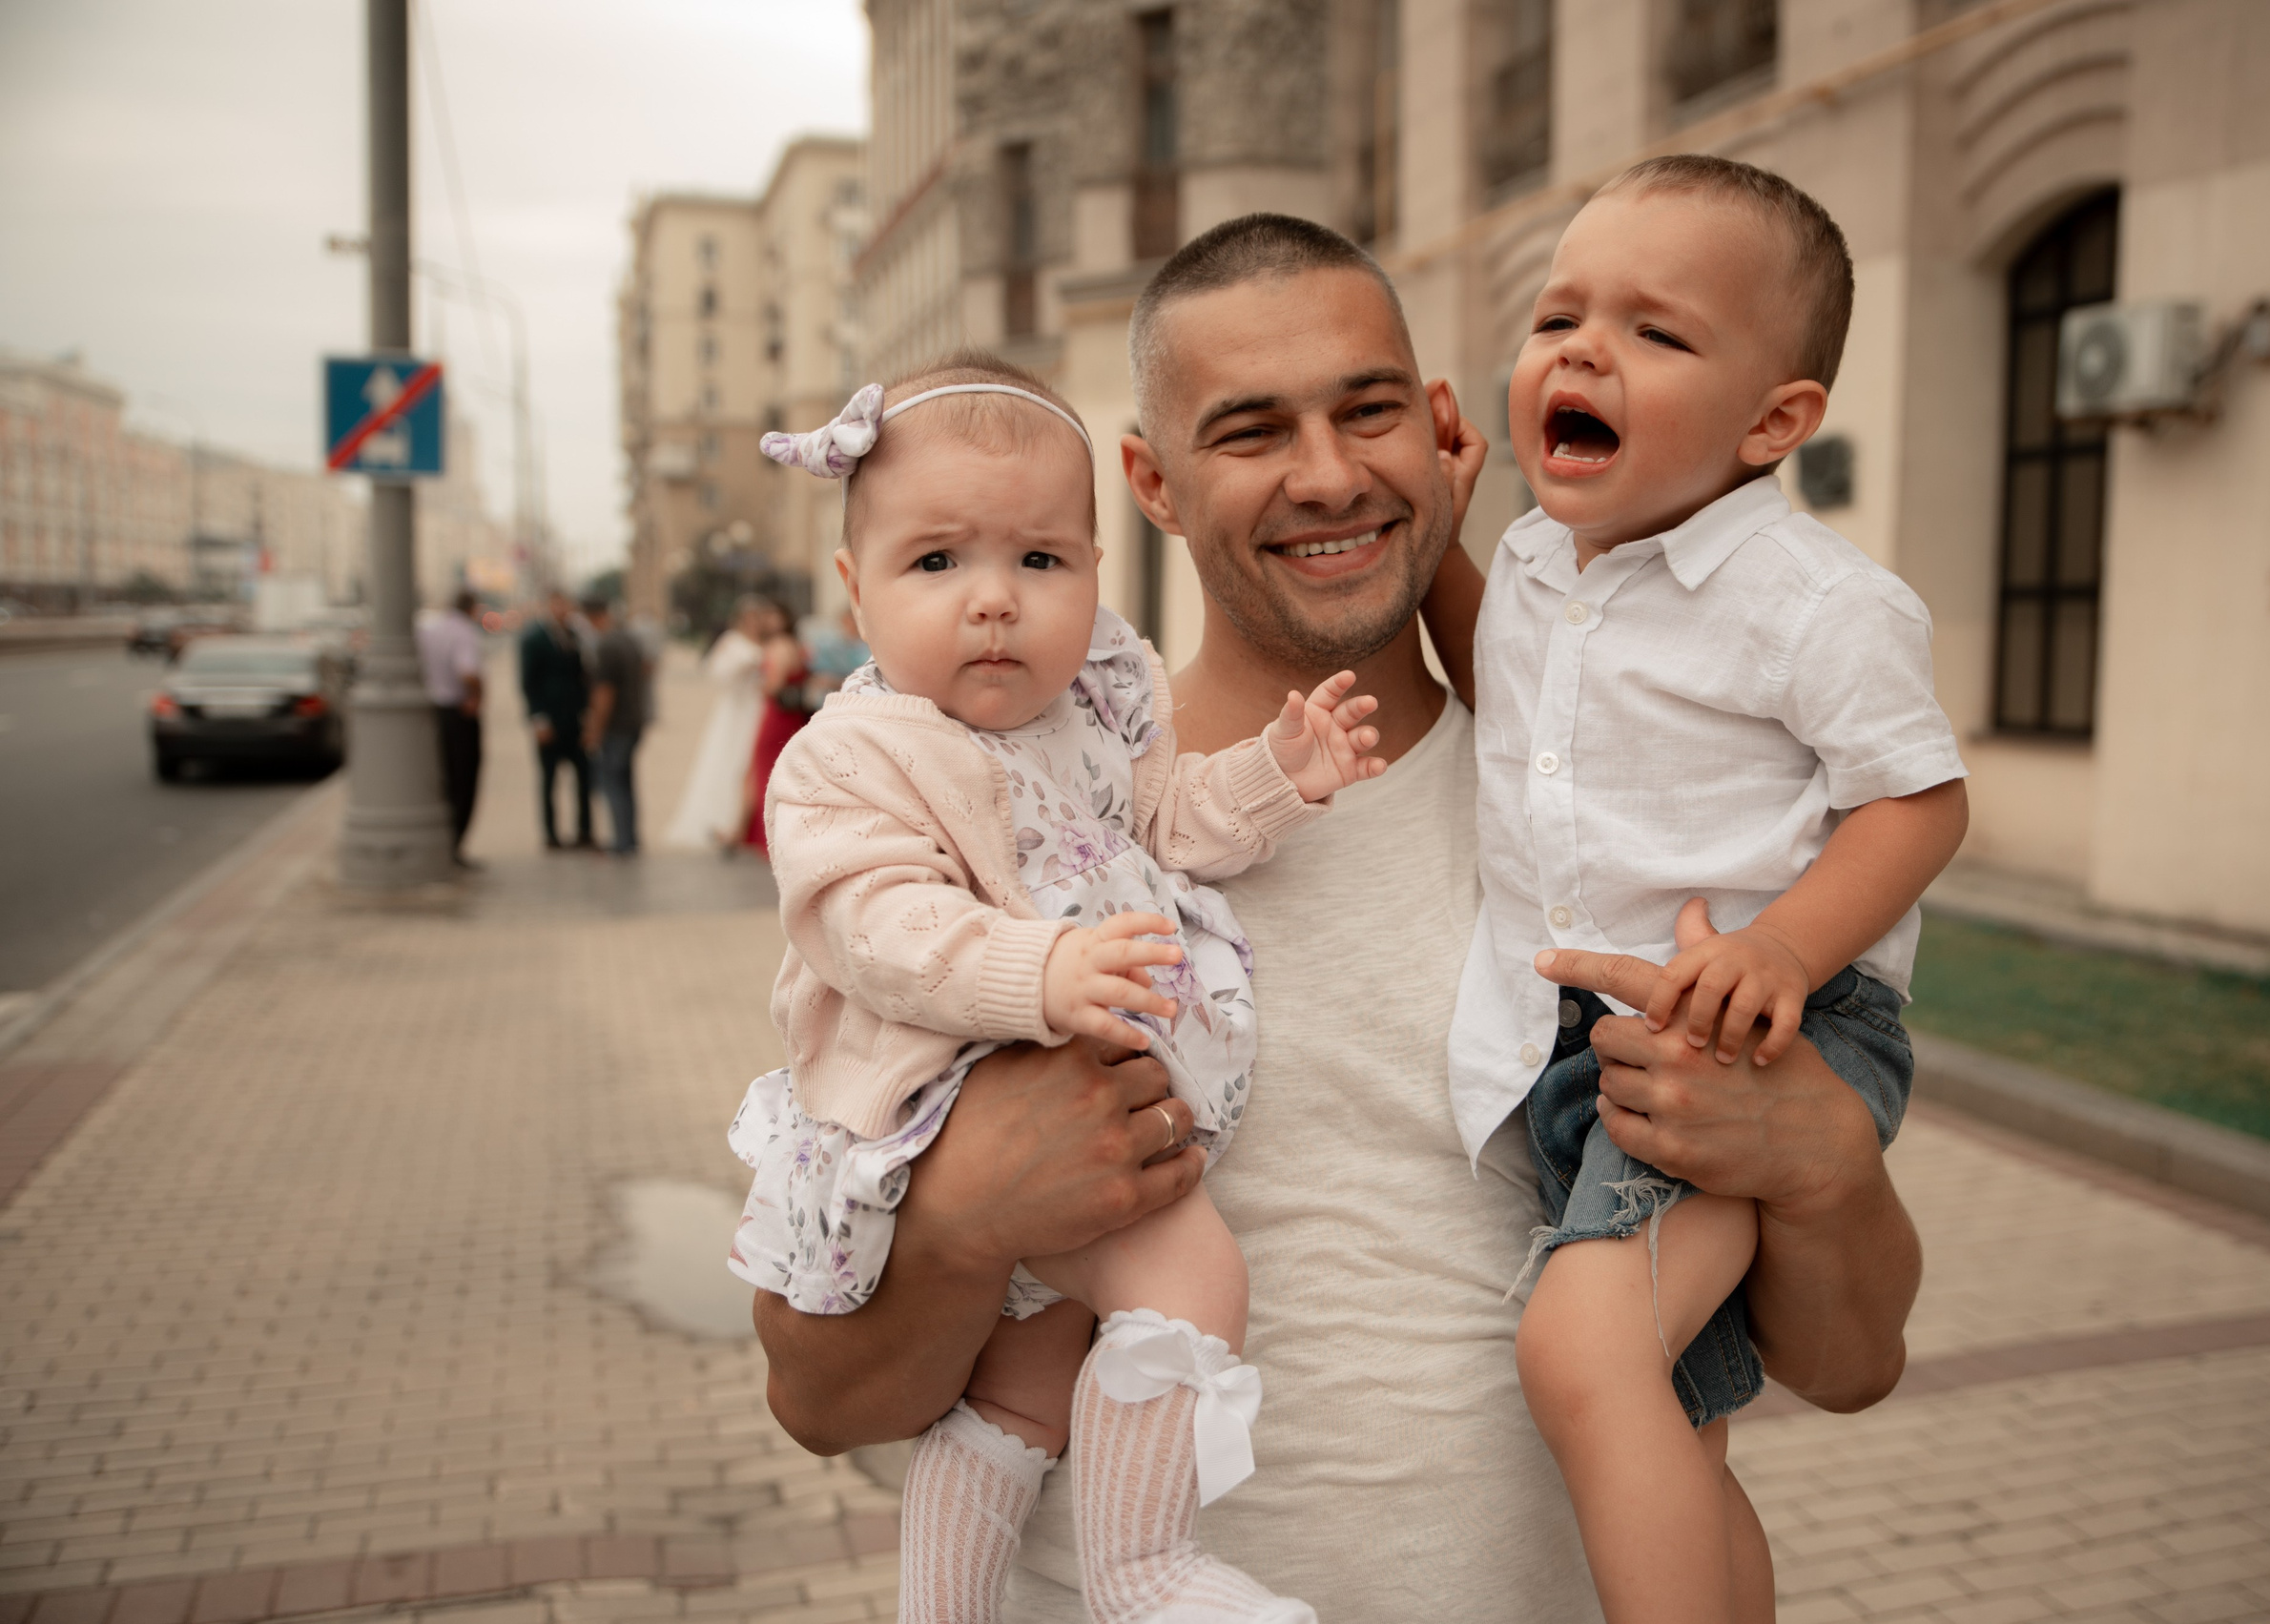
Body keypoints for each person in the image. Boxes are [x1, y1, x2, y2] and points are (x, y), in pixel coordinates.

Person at [751, 215, 1925, 1624]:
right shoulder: (1000, 837)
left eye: (1368, 411)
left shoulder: (1632, 830)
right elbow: (819, 1397)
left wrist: (1825, 1164)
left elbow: (1853, 1364)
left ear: (1440, 432)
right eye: (1250, 431)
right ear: (1153, 481)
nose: (1326, 475)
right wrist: (960, 1220)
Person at [737, 356, 1385, 1624]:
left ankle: (944, 1607)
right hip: (968, 1105)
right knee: (1193, 1276)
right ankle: (1143, 1565)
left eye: (1039, 562)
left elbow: (1168, 820)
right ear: (854, 588)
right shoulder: (848, 757)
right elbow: (874, 924)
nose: (993, 602)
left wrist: (1279, 774)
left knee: (1020, 1390)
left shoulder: (1094, 710)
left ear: (1095, 570)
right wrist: (1042, 969)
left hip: (1086, 1097)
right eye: (937, 563)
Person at [1419, 156, 1970, 1623]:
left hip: (1757, 1024)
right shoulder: (1541, 561)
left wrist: (1787, 947)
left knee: (1582, 1350)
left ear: (1774, 420)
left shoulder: (1812, 600)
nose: (1584, 352)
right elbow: (1506, 685)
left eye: (1657, 333)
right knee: (1674, 1418)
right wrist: (1435, 563)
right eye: (1558, 318)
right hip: (1589, 1045)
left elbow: (1918, 798)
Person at [663, 595, 774, 852]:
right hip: (737, 710)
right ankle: (725, 820)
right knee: (732, 761)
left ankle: (747, 823)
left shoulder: (766, 642)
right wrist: (746, 665)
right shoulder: (731, 642)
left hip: (758, 707)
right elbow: (717, 673)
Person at [415, 586, 485, 869]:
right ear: (472, 608)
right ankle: (453, 846)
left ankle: (442, 842)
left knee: (441, 779)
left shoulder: (431, 629)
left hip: (433, 712)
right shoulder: (463, 632)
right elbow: (467, 671)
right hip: (458, 713)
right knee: (463, 780)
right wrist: (478, 695)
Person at [519, 590, 594, 851]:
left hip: (575, 717)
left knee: (585, 777)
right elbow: (528, 682)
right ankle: (551, 834)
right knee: (549, 779)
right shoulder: (535, 639)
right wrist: (538, 719)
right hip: (550, 718)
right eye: (557, 604)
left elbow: (584, 675)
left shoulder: (576, 635)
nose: (562, 610)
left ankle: (585, 830)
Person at [737, 599, 814, 854]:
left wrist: (756, 684)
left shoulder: (778, 646)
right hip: (792, 717)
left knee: (765, 772)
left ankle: (765, 834)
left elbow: (774, 685)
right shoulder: (797, 645)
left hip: (776, 716)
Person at [580, 595, 650, 856]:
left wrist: (595, 729)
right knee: (626, 781)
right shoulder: (628, 639)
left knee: (614, 782)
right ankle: (630, 837)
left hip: (617, 725)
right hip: (634, 719)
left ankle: (622, 842)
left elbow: (604, 692)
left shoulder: (606, 645)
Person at [798, 602, 871, 709]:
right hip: (822, 704)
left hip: (854, 704)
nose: (849, 624)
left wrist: (834, 682)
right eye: (846, 620)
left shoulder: (866, 648)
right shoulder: (829, 643)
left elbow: (867, 678)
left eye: (852, 620)